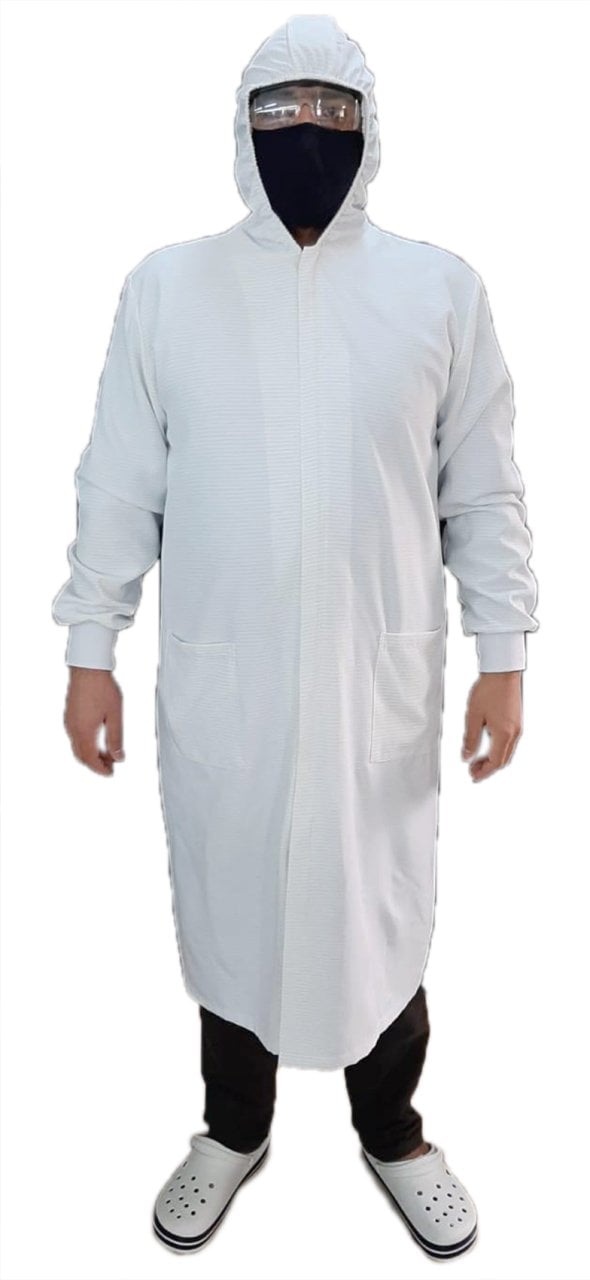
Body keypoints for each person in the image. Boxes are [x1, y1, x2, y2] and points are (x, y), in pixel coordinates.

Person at [51, 13, 539, 1261]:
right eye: (281, 111)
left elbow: (481, 489)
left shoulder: (436, 290)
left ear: (369, 128)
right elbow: (118, 482)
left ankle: (393, 1131)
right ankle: (233, 1128)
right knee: (233, 900)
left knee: (378, 903)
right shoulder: (168, 288)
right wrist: (92, 647)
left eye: (331, 110)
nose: (307, 135)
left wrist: (501, 654)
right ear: (241, 126)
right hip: (231, 681)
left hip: (377, 681)